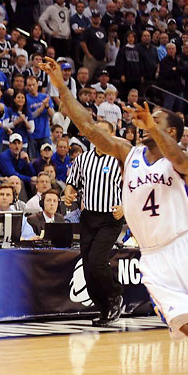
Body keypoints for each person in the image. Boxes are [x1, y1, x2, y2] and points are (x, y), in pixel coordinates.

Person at [40, 56, 188, 357]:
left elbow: (185, 162)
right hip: (153, 257)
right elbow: (90, 128)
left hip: (187, 246)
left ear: (171, 132)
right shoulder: (127, 154)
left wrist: (155, 131)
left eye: (155, 120)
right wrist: (61, 87)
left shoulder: (178, 160)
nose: (145, 122)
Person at [64, 118, 126, 325]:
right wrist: (68, 194)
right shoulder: (83, 159)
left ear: (111, 136)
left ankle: (114, 295)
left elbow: (134, 188)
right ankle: (104, 308)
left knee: (98, 260)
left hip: (111, 218)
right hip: (89, 216)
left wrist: (125, 206)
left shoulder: (120, 159)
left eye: (102, 132)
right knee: (88, 265)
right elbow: (72, 184)